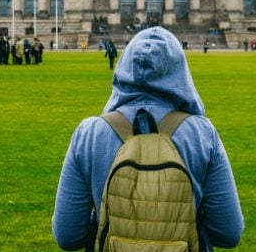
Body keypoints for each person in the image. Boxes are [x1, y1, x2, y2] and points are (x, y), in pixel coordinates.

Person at [53, 27, 244, 250]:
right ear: (179, 70)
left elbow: (67, 237)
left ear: (124, 67)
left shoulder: (89, 134)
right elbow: (228, 234)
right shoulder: (202, 134)